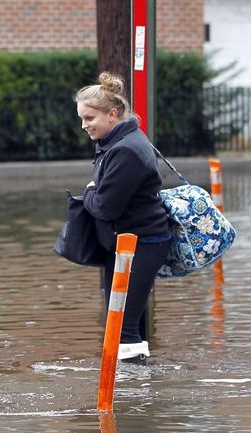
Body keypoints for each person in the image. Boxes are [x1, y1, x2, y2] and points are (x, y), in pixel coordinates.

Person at [75, 72, 171, 365]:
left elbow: (106, 206)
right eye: (82, 118)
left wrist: (88, 192)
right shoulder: (120, 141)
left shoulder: (125, 149)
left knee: (122, 326)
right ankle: (142, 393)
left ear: (112, 114)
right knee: (127, 323)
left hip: (140, 244)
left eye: (90, 118)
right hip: (129, 244)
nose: (84, 126)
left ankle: (129, 399)